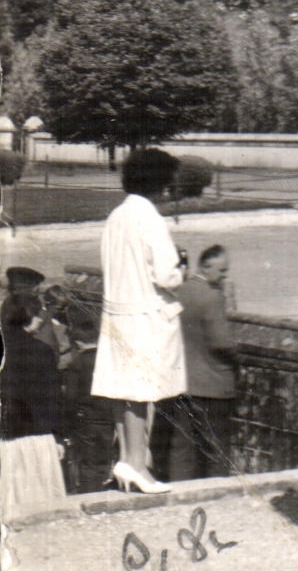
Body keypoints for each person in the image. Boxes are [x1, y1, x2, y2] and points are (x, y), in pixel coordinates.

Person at [90, 146, 186, 492]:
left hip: (118, 310)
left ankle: (127, 461)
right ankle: (136, 465)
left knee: (123, 390)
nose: (170, 191)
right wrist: (181, 269)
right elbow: (167, 275)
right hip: (144, 314)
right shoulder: (150, 218)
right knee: (140, 393)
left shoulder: (116, 216)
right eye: (169, 185)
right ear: (158, 183)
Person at [153, 244, 237, 482]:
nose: (224, 276)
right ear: (205, 266)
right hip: (213, 385)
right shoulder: (212, 297)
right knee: (216, 449)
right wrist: (237, 354)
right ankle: (217, 493)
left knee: (182, 448)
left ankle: (180, 491)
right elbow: (221, 342)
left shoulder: (178, 292)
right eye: (221, 271)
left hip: (182, 383)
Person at [0, 289, 67, 521]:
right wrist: (59, 435)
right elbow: (52, 399)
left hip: (5, 438)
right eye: (38, 315)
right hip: (36, 437)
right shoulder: (41, 351)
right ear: (27, 316)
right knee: (39, 504)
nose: (41, 320)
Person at [59, 300, 114, 494]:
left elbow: (71, 397)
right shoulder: (109, 361)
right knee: (104, 458)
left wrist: (67, 422)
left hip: (86, 419)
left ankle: (91, 495)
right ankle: (103, 490)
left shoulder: (77, 363)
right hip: (108, 417)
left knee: (88, 462)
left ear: (77, 343)